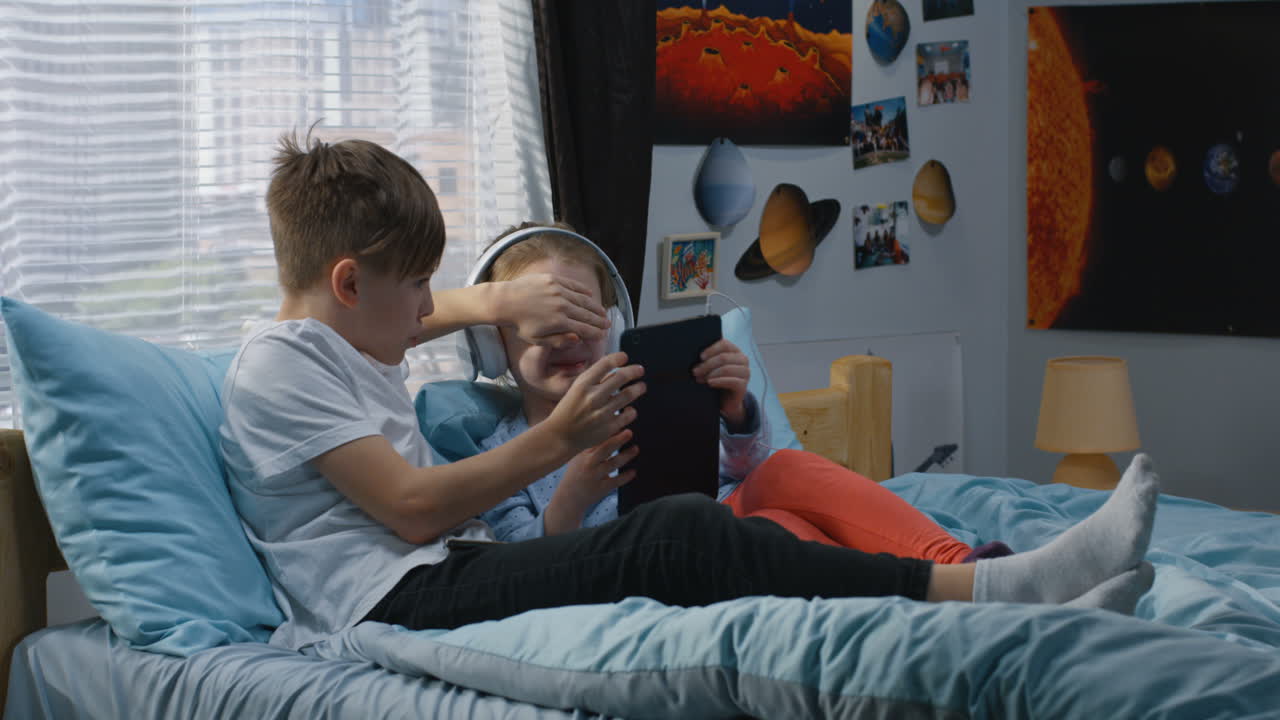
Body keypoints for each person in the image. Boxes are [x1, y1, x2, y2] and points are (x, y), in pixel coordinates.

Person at [220, 131, 1159, 652]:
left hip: (433, 575)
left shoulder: (346, 342)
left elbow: (414, 317)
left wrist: (502, 296)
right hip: (396, 600)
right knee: (680, 535)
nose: (431, 310)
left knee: (738, 515)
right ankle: (988, 590)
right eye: (421, 287)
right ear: (349, 284)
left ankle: (986, 586)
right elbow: (413, 508)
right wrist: (561, 441)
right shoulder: (281, 364)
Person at [477, 222, 1010, 564]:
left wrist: (733, 413)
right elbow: (513, 566)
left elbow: (739, 470)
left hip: (729, 529)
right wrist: (571, 498)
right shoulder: (499, 458)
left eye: (585, 318)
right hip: (652, 560)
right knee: (764, 526)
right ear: (494, 344)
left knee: (782, 483)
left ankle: (960, 570)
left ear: (614, 325)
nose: (568, 340)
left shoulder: (644, 398)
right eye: (543, 327)